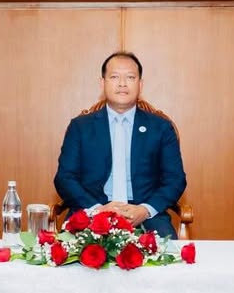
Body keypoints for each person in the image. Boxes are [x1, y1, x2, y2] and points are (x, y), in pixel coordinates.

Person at [54, 51, 187, 239]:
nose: (122, 83)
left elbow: (175, 179)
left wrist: (145, 210)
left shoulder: (161, 128)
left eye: (130, 77)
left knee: (168, 254)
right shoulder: (80, 127)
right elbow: (65, 178)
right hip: (92, 210)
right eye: (115, 77)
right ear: (102, 83)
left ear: (140, 84)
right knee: (70, 253)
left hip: (145, 214)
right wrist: (97, 209)